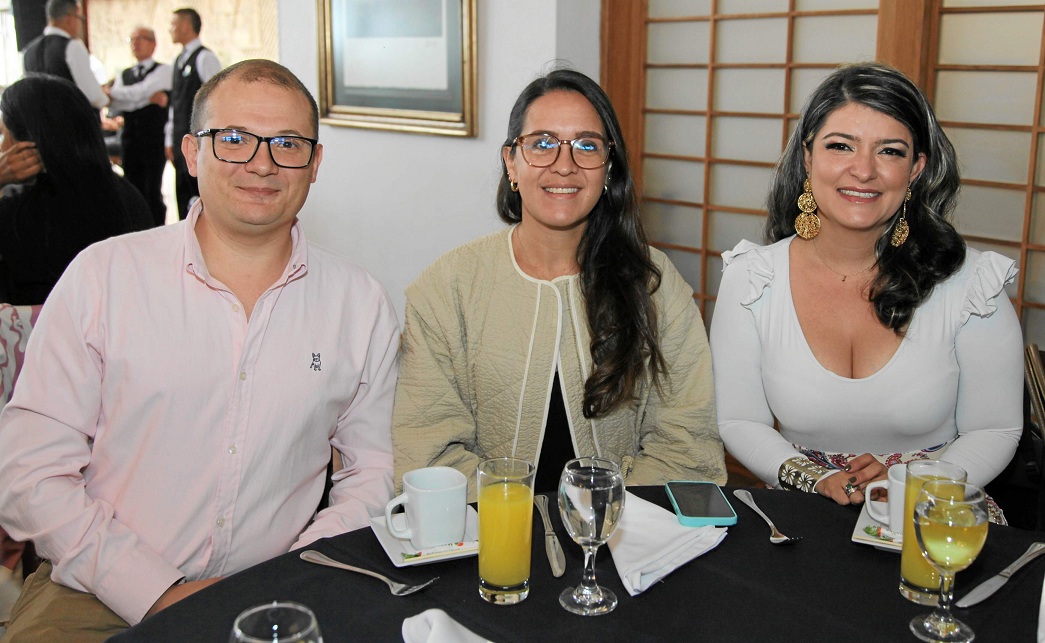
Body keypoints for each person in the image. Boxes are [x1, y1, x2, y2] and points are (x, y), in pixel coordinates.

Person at [0, 59, 400, 641]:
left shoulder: (359, 305)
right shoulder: (104, 277)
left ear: (314, 164)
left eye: (287, 143)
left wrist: (294, 573)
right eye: (233, 139)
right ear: (190, 153)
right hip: (98, 595)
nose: (262, 163)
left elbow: (374, 470)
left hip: (279, 592)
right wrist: (155, 590)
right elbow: (29, 471)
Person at [391, 69, 725, 498]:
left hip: (623, 535)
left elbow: (686, 443)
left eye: (587, 145)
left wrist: (601, 521)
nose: (564, 165)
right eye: (543, 144)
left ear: (608, 168)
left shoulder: (655, 286)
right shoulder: (446, 288)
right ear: (512, 162)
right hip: (487, 536)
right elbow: (428, 449)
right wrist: (519, 522)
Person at [710, 63, 1023, 509]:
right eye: (841, 146)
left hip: (935, 507)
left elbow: (995, 429)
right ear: (807, 157)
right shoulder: (753, 278)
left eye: (889, 152)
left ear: (916, 169)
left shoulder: (971, 285)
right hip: (803, 507)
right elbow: (740, 420)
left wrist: (913, 481)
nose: (863, 171)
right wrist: (815, 479)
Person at [0, 74, 151, 305]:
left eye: (5, 136)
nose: (2, 148)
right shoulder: (127, 196)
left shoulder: (18, 214)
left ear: (26, 148)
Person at [105, 26, 172, 226]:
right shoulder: (124, 74)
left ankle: (156, 230)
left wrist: (129, 97)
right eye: (132, 40)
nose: (135, 44)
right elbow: (116, 102)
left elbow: (133, 94)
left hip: (153, 139)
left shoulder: (163, 70)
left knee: (152, 190)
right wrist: (145, 99)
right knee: (132, 188)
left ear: (153, 43)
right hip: (129, 139)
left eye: (141, 39)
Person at [166, 7, 222, 220]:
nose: (170, 30)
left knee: (200, 193)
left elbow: (217, 98)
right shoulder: (178, 60)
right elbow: (175, 102)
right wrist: (169, 136)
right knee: (182, 193)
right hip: (181, 137)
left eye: (173, 25)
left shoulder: (204, 57)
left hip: (199, 139)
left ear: (185, 26)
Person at [21, 0, 107, 110]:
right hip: (72, 122)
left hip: (40, 125)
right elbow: (93, 96)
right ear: (70, 18)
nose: (80, 23)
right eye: (80, 18)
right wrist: (106, 98)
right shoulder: (72, 46)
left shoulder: (28, 52)